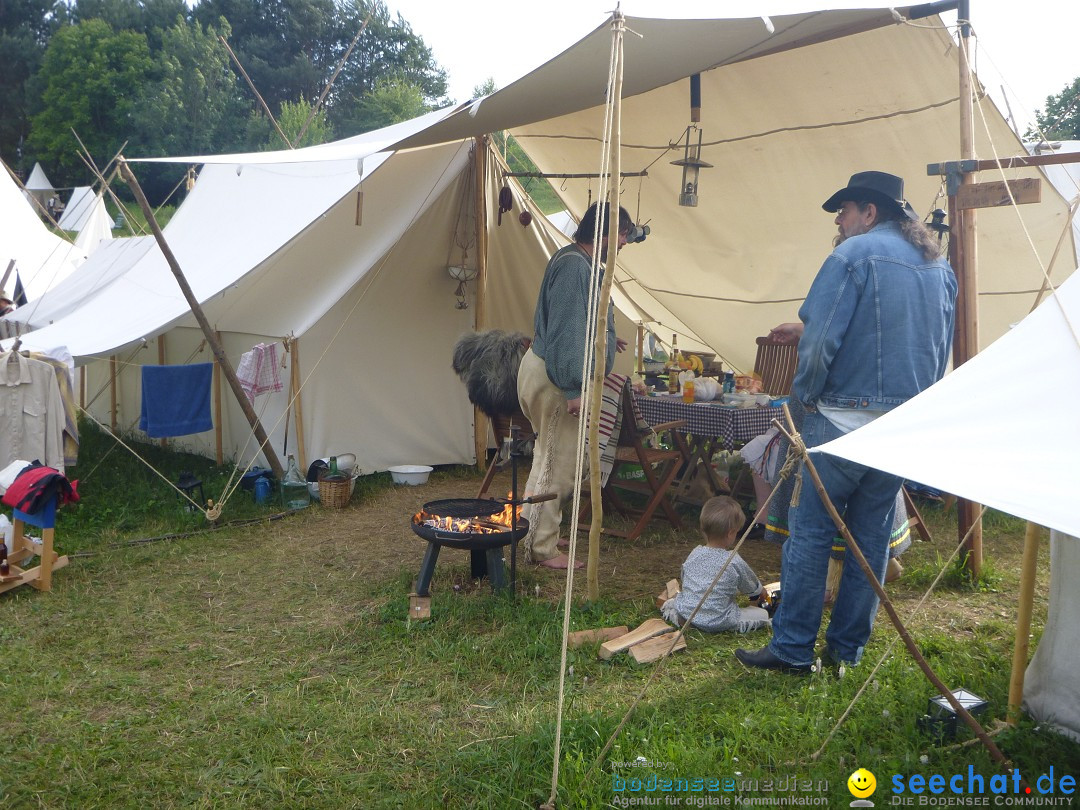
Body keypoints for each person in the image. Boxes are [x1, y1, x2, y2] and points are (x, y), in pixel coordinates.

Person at [736, 170, 956, 673]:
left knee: (811, 533)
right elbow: (932, 351)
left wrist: (804, 399)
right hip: (900, 429)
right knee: (870, 539)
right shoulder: (936, 266)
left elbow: (820, 347)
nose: (839, 220)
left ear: (870, 212)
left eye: (845, 209)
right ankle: (846, 652)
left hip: (837, 422)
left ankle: (792, 650)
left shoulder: (850, 256)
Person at [518, 201, 632, 569]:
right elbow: (567, 332)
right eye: (623, 236)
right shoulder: (573, 268)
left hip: (552, 372)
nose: (624, 245)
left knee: (548, 458)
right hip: (556, 378)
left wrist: (604, 340)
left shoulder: (577, 261)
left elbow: (576, 323)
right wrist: (573, 389)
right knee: (559, 464)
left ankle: (535, 531)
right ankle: (542, 548)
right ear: (607, 234)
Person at [661, 495, 771, 633]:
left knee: (676, 603)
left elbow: (685, 578)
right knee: (762, 615)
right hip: (720, 619)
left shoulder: (695, 553)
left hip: (689, 614)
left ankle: (687, 618)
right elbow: (751, 586)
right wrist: (761, 592)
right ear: (730, 533)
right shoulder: (733, 560)